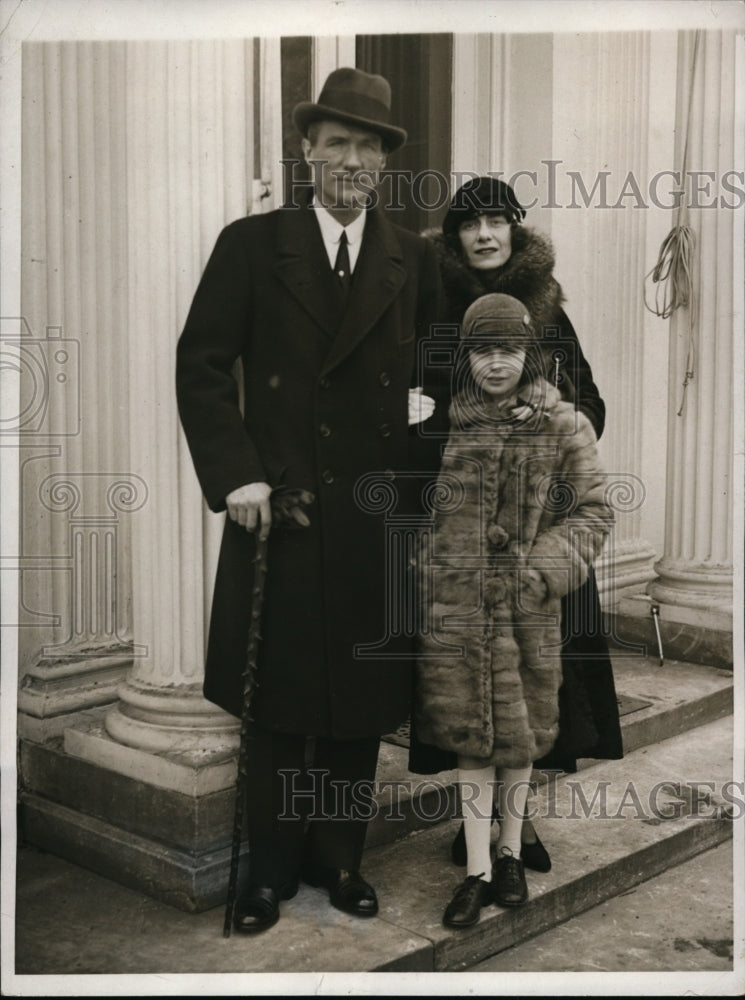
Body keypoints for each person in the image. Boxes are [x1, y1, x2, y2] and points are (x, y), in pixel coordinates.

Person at [176, 67, 441, 933]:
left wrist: (422, 438)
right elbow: (201, 365)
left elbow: (442, 369)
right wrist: (235, 474)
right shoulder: (252, 245)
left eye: (367, 146)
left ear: (384, 160)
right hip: (280, 511)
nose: (352, 161)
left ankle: (339, 860)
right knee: (280, 701)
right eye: (336, 144)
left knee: (359, 701)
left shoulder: (413, 257)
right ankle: (268, 871)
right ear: (306, 151)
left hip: (371, 516)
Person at [410, 174, 623, 872]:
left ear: (514, 228)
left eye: (496, 221)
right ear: (453, 238)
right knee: (464, 685)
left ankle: (518, 827)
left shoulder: (547, 306)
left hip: (539, 529)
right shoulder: (431, 305)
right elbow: (414, 405)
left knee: (539, 680)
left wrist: (554, 420)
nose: (483, 235)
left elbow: (588, 401)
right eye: (469, 224)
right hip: (465, 532)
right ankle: (475, 832)